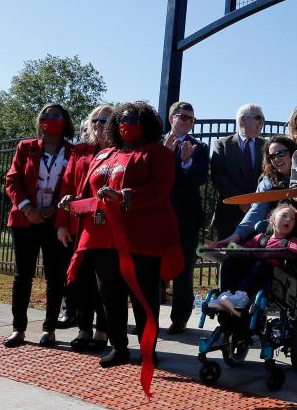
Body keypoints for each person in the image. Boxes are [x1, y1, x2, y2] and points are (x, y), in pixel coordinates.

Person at [62, 101, 183, 368]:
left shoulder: (156, 153)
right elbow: (90, 191)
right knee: (110, 294)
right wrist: (74, 200)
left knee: (143, 297)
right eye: (122, 120)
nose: (126, 125)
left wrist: (125, 196)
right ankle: (118, 346)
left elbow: (159, 190)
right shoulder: (105, 155)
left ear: (146, 124)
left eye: (133, 120)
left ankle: (148, 349)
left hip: (141, 238)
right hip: (102, 236)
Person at [3, 104, 75, 348]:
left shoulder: (71, 152)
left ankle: (49, 329)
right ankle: (18, 329)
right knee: (22, 275)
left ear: (65, 121)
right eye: (45, 113)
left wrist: (53, 208)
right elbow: (12, 180)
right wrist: (27, 208)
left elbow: (74, 185)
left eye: (55, 115)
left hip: (55, 221)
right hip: (25, 220)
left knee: (55, 276)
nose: (49, 118)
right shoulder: (26, 147)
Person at [56, 104, 112, 352]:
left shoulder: (120, 152)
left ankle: (102, 330)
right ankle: (83, 328)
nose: (100, 126)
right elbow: (66, 186)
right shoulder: (80, 151)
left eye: (106, 121)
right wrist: (61, 224)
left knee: (104, 281)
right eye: (96, 121)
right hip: (78, 224)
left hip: (106, 227)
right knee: (80, 279)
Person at [163, 101, 209, 334]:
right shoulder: (157, 143)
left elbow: (200, 179)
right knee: (152, 266)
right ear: (171, 118)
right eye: (183, 117)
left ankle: (179, 317)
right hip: (157, 215)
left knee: (183, 268)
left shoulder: (199, 147)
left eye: (192, 119)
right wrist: (166, 155)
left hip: (186, 217)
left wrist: (185, 162)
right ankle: (148, 315)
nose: (188, 122)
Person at [211, 204, 297, 314]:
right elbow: (244, 251)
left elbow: (294, 252)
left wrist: (268, 254)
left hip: (272, 279)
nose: (289, 219)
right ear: (272, 220)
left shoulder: (292, 241)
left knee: (260, 263)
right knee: (229, 262)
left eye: (292, 218)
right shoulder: (259, 238)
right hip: (250, 272)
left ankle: (242, 297)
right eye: (284, 215)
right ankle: (226, 295)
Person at [214, 135, 297, 247]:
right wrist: (237, 235)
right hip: (278, 239)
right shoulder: (268, 181)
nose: (277, 159)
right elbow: (257, 210)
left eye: (281, 153)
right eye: (272, 157)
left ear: (293, 153)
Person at [210, 103, 265, 239]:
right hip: (229, 215)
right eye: (258, 118)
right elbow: (218, 176)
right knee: (228, 258)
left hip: (258, 215)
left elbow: (269, 175)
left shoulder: (267, 146)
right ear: (242, 119)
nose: (261, 122)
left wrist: (254, 201)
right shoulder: (222, 144)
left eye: (263, 119)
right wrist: (241, 201)